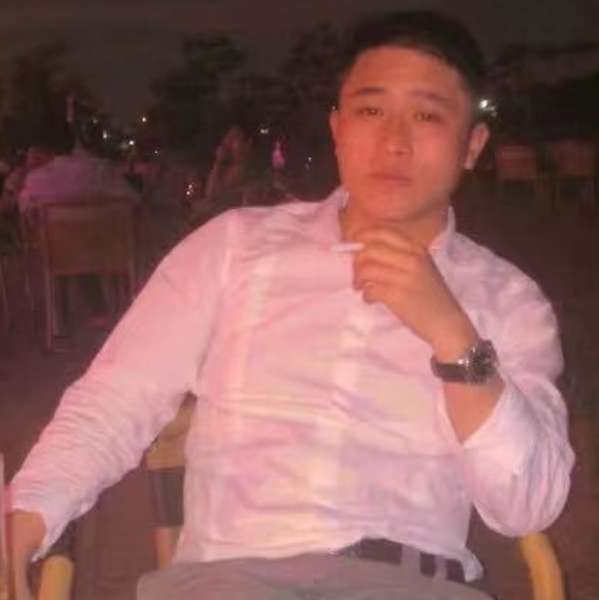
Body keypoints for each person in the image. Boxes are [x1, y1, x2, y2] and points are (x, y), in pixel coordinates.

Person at [8, 11, 574, 600]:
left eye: (427, 115)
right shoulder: (233, 248)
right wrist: (29, 510)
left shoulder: (508, 300)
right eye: (370, 111)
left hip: (413, 584)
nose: (394, 141)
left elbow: (526, 505)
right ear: (338, 128)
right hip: (230, 581)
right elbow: (117, 396)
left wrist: (454, 339)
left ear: (472, 145)